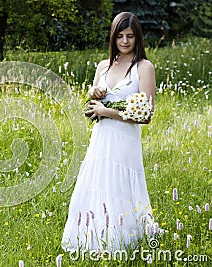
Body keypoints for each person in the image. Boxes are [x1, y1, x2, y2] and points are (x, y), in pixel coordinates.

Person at [61, 11, 157, 253]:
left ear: (138, 38)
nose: (124, 42)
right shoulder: (104, 66)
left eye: (130, 36)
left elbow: (145, 115)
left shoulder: (143, 68)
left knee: (121, 186)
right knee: (98, 184)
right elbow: (93, 109)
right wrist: (94, 94)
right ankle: (93, 236)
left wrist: (108, 111)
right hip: (102, 140)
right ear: (113, 38)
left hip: (125, 141)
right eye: (120, 36)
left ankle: (122, 239)